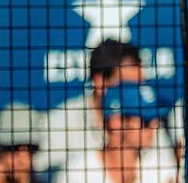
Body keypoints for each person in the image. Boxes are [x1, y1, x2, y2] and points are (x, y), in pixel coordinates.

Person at [53, 82, 181, 183]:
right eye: (145, 121)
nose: (154, 127)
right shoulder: (77, 172)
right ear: (116, 122)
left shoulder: (162, 168)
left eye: (157, 120)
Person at [41, 39, 146, 174]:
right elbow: (42, 178)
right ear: (100, 82)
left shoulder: (149, 121)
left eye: (139, 86)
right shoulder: (60, 122)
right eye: (127, 87)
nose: (136, 94)